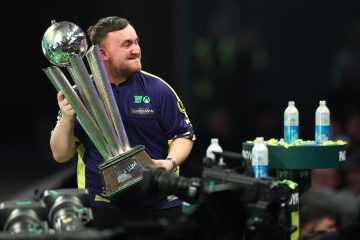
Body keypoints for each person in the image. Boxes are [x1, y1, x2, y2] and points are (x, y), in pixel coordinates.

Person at [50, 16, 195, 229]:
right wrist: (67, 118)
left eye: (136, 42)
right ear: (102, 54)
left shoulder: (158, 89)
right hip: (103, 206)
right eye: (127, 44)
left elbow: (183, 135)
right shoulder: (78, 95)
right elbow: (61, 154)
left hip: (161, 204)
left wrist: (170, 163)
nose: (136, 50)